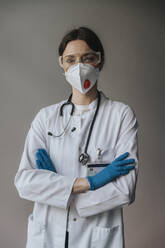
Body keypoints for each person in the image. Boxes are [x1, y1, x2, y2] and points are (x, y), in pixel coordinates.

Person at [14, 26, 139, 248]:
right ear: (62, 64)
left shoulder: (120, 115)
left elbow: (124, 190)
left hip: (97, 236)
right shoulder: (46, 117)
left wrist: (59, 189)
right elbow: (24, 182)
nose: (79, 67)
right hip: (48, 234)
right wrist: (87, 183)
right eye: (70, 60)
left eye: (87, 58)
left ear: (99, 61)